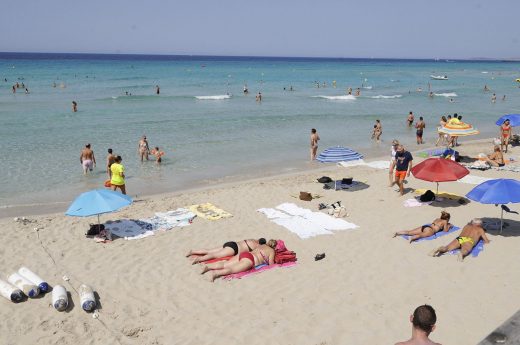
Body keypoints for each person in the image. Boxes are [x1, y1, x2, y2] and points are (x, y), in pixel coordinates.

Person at [200, 240, 277, 282]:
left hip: (245, 253)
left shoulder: (261, 245)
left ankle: (208, 266)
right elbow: (271, 264)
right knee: (231, 269)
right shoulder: (271, 251)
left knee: (225, 264)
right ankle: (215, 273)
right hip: (250, 260)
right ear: (274, 247)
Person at [186, 238, 267, 264]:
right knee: (214, 255)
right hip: (233, 249)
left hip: (231, 243)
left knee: (209, 251)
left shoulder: (252, 240)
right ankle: (198, 259)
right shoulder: (256, 246)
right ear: (261, 244)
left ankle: (193, 251)